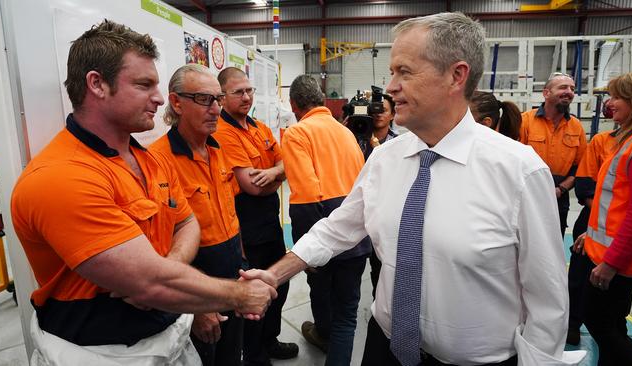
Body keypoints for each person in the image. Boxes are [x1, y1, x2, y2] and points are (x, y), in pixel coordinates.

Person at [242, 12, 575, 366]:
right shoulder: (386, 159)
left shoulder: (519, 171)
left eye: (404, 71)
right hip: (384, 348)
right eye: (392, 72)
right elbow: (339, 228)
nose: (390, 87)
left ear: (456, 76)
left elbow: (547, 299)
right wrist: (275, 275)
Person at [10, 21, 276, 365]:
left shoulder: (148, 162)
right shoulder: (62, 177)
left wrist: (167, 268)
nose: (159, 97)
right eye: (143, 84)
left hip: (167, 336)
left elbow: (186, 224)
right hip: (99, 353)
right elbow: (147, 284)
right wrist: (240, 295)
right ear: (97, 84)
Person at [149, 64, 243, 366]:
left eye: (218, 99)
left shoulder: (218, 150)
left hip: (232, 277)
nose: (216, 109)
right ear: (176, 103)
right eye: (205, 99)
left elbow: (230, 214)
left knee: (231, 356)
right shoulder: (157, 162)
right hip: (194, 286)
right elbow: (159, 248)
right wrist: (194, 307)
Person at [282, 74, 371, 365]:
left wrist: (307, 253)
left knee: (320, 290)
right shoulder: (346, 132)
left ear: (295, 105)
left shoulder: (298, 133)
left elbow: (306, 197)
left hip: (323, 231)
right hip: (357, 235)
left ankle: (322, 333)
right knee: (347, 312)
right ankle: (332, 345)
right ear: (321, 100)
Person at [213, 67, 298, 365]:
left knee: (279, 284)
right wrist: (280, 174)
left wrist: (274, 172)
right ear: (222, 97)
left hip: (270, 222)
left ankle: (269, 339)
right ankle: (254, 355)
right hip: (246, 224)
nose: (247, 96)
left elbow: (287, 161)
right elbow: (251, 187)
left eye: (249, 90)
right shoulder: (223, 133)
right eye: (239, 92)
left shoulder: (259, 127)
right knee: (254, 292)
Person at [573, 71, 632, 365]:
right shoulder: (624, 141)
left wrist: (611, 263)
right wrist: (591, 232)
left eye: (616, 97)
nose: (610, 103)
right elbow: (614, 203)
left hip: (618, 263)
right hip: (605, 252)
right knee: (610, 324)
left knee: (601, 325)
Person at [566, 126, 618, 345]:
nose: (612, 103)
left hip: (620, 226)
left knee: (616, 288)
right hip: (592, 220)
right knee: (579, 276)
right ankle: (572, 324)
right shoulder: (602, 141)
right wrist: (603, 214)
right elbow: (585, 185)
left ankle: (616, 329)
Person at [520, 73, 587, 238]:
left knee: (554, 244)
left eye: (572, 88)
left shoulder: (576, 127)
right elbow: (513, 160)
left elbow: (580, 167)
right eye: (563, 87)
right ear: (546, 93)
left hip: (558, 197)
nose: (569, 91)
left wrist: (561, 189)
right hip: (526, 195)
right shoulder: (525, 121)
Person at [367, 93, 398, 297]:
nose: (377, 114)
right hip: (358, 209)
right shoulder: (352, 137)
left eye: (383, 110)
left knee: (380, 267)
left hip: (384, 211)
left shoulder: (399, 144)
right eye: (373, 110)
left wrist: (378, 151)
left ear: (393, 114)